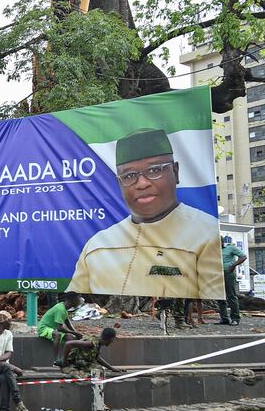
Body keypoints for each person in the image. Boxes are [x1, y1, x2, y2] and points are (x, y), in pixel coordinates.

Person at [67, 128, 224, 299]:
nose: (141, 184)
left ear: (175, 172)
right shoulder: (97, 244)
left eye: (154, 170)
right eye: (129, 175)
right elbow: (74, 298)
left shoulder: (206, 234)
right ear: (120, 183)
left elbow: (212, 304)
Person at [37, 292, 83, 366]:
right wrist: (75, 333)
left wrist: (76, 334)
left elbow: (68, 322)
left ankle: (68, 359)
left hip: (52, 329)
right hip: (44, 329)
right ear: (71, 300)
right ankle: (56, 360)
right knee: (57, 335)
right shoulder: (60, 309)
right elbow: (60, 328)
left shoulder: (64, 308)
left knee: (71, 337)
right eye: (78, 299)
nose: (80, 301)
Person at [218, 236, 247, 326]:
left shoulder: (230, 248)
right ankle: (224, 318)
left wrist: (233, 265)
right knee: (219, 297)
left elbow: (243, 257)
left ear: (222, 242)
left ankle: (235, 318)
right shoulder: (213, 251)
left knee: (231, 296)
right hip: (217, 275)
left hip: (228, 274)